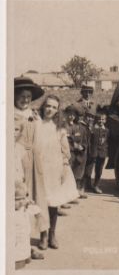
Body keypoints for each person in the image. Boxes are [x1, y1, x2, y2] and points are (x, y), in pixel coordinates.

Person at [34, 95, 79, 249]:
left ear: (57, 110)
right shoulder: (36, 123)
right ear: (43, 106)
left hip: (55, 169)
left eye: (53, 107)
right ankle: (43, 235)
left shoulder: (59, 127)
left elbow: (65, 151)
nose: (50, 109)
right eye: (48, 106)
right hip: (39, 168)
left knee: (53, 203)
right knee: (41, 202)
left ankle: (52, 234)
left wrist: (64, 168)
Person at [14, 77, 50, 251]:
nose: (25, 100)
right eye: (22, 96)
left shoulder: (35, 115)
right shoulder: (9, 114)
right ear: (15, 96)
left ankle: (44, 234)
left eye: (28, 96)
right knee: (20, 200)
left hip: (35, 160)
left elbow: (41, 139)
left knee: (39, 196)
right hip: (16, 160)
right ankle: (24, 244)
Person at [15, 120, 44, 262]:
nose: (13, 133)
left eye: (16, 130)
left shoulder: (19, 148)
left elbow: (24, 167)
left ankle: (25, 250)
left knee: (23, 220)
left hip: (19, 186)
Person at [64, 105, 89, 199]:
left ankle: (75, 192)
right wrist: (74, 145)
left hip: (78, 154)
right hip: (68, 153)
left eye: (73, 115)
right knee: (67, 174)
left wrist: (82, 147)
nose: (71, 117)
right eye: (69, 114)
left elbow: (84, 141)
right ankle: (66, 194)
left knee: (77, 173)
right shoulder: (63, 126)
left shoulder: (80, 127)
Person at [89, 110, 109, 194]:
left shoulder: (107, 130)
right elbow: (89, 140)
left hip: (102, 153)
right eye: (99, 119)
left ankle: (96, 185)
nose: (101, 121)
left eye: (103, 119)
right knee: (88, 169)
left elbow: (107, 141)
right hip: (93, 152)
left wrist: (105, 151)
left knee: (99, 170)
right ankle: (86, 184)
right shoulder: (92, 129)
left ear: (105, 120)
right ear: (96, 120)